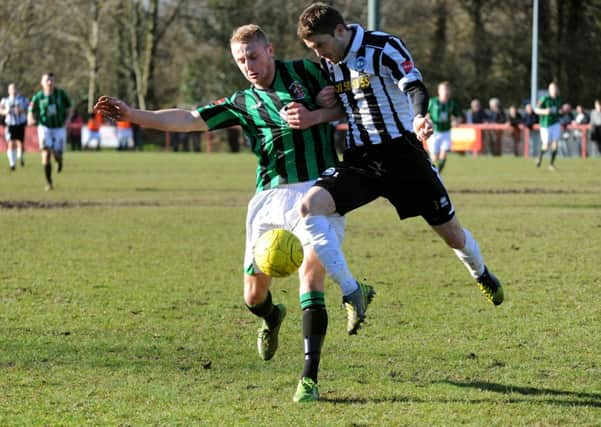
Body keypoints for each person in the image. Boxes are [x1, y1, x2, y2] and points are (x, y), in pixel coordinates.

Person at [94, 24, 374, 403]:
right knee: (253, 296)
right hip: (269, 199)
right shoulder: (242, 103)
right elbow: (189, 119)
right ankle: (272, 317)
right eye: (241, 60)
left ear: (270, 50)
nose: (249, 66)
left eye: (254, 56)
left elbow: (352, 91)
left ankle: (309, 377)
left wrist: (326, 106)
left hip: (320, 188)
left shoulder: (308, 72)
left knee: (311, 274)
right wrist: (133, 114)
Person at [296, 4, 503, 336]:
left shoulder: (382, 46)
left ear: (338, 31)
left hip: (403, 157)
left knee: (452, 235)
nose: (320, 54)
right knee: (309, 205)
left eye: (320, 45)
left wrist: (420, 115)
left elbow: (414, 86)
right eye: (313, 49)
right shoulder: (329, 63)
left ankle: (481, 273)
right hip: (360, 160)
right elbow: (341, 103)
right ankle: (353, 290)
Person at [27, 73, 72, 190]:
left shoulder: (61, 94)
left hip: (59, 127)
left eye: (51, 80)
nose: (49, 83)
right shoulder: (38, 96)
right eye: (47, 80)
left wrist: (67, 120)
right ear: (42, 83)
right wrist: (30, 118)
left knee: (57, 155)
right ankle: (49, 182)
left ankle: (59, 161)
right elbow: (31, 110)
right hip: (44, 127)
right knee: (46, 154)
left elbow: (69, 108)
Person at [426, 81, 462, 172]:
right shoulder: (432, 102)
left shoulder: (452, 104)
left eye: (446, 90)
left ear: (449, 91)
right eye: (443, 90)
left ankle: (438, 174)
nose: (445, 92)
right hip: (434, 132)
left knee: (444, 153)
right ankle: (431, 172)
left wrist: (456, 122)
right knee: (434, 157)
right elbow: (425, 114)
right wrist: (428, 120)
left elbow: (459, 117)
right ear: (439, 91)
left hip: (446, 132)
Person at [0, 83, 29, 170]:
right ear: (8, 90)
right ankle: (12, 164)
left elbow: (29, 109)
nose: (13, 90)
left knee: (20, 142)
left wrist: (21, 110)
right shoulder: (5, 100)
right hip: (10, 124)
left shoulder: (23, 99)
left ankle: (20, 156)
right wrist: (5, 111)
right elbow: (0, 110)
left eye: (14, 88)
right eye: (11, 89)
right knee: (10, 142)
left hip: (20, 123)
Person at [534, 82, 562, 170]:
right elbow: (536, 110)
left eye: (555, 88)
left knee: (555, 143)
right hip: (545, 125)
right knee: (545, 146)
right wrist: (544, 111)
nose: (554, 90)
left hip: (555, 123)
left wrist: (562, 111)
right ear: (549, 90)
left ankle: (551, 164)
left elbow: (559, 111)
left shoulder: (558, 100)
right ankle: (539, 157)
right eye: (552, 89)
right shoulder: (545, 99)